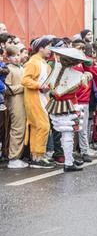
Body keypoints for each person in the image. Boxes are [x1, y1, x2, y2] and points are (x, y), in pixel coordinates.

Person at [45, 47, 92, 172]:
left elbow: (51, 88)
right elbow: (83, 86)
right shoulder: (77, 75)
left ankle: (69, 157)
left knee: (65, 134)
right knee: (68, 134)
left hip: (57, 104)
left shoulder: (56, 69)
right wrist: (86, 76)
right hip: (69, 105)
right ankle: (68, 162)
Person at [22, 37, 55, 169]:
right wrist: (39, 85)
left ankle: (37, 157)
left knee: (38, 128)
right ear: (40, 48)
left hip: (43, 99)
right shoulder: (33, 62)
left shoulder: (45, 64)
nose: (50, 50)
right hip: (34, 99)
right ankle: (38, 156)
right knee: (43, 126)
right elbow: (25, 80)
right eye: (48, 47)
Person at [4, 45, 27, 168]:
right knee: (17, 128)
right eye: (13, 56)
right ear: (7, 57)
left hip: (23, 100)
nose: (16, 58)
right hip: (14, 101)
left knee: (21, 128)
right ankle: (13, 158)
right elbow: (6, 89)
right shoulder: (8, 69)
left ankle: (17, 156)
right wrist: (23, 87)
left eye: (18, 55)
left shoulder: (22, 68)